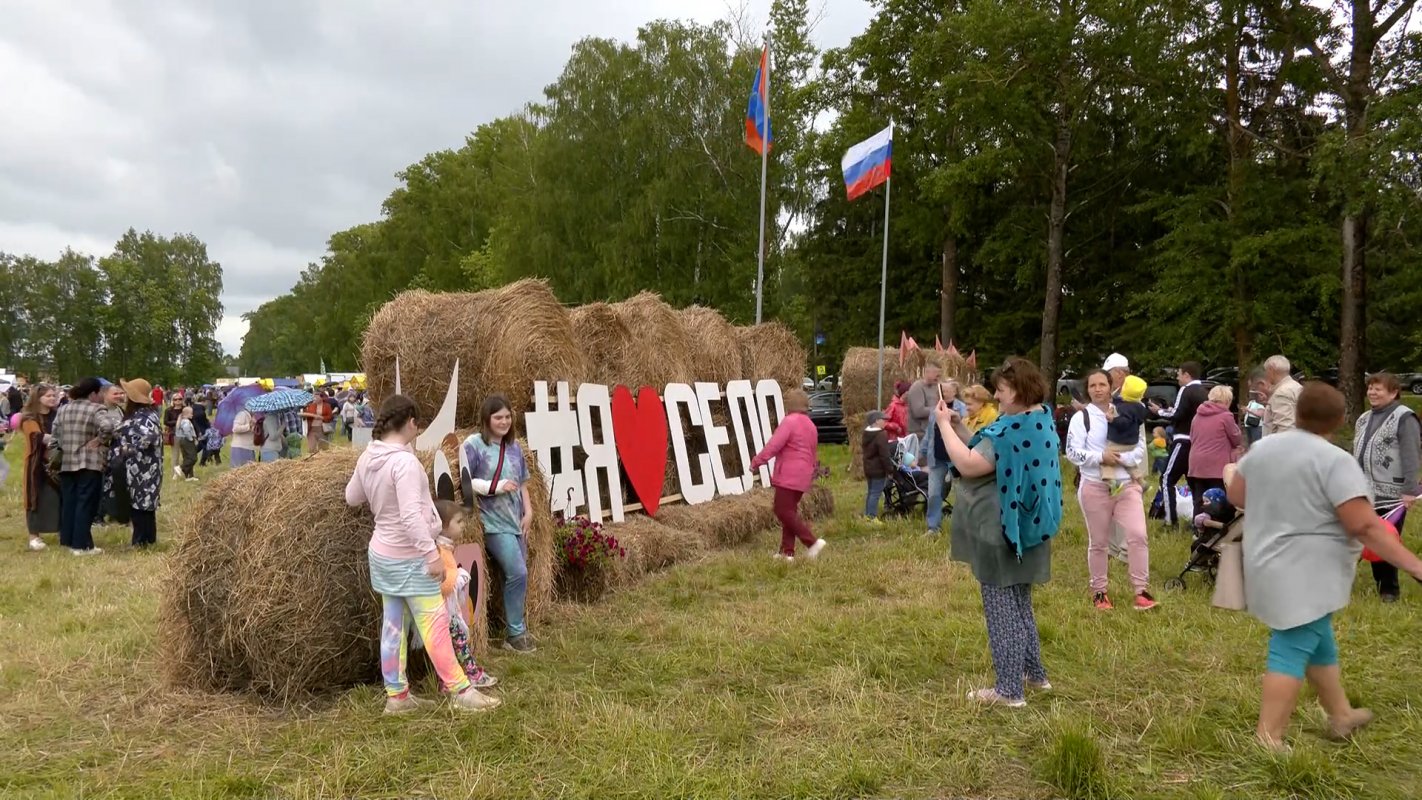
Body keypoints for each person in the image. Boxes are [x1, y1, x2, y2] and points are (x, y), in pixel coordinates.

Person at [1229, 382, 1422, 750]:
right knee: (1291, 644)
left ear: (1298, 412)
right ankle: (1267, 738)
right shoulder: (1335, 461)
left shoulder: (1264, 447)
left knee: (1317, 638)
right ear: (1339, 419)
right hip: (1309, 571)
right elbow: (1364, 525)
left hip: (1266, 561)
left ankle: (1341, 714)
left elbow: (1238, 495)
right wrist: (1415, 566)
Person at [345, 394, 499, 714]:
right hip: (410, 557)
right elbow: (411, 517)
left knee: (393, 626)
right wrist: (431, 555)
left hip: (383, 555)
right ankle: (461, 691)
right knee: (435, 625)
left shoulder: (369, 457)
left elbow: (352, 497)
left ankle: (397, 696)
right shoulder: (404, 462)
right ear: (411, 423)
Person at [936, 357, 1062, 706]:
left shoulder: (1009, 430)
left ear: (1019, 391)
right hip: (1030, 526)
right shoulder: (1039, 419)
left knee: (1001, 608)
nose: (997, 396)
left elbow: (969, 463)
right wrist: (961, 427)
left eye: (1002, 391)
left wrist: (943, 426)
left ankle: (1008, 690)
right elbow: (983, 447)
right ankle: (1034, 674)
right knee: (1020, 603)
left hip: (1002, 532)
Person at [1065, 369, 1155, 611]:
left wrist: (1120, 458)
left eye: (1102, 384)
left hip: (1126, 485)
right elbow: (1073, 453)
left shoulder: (1128, 411)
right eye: (1092, 385)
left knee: (1138, 535)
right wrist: (1100, 456)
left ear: (1111, 385)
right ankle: (1100, 592)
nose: (1097, 389)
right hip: (1095, 485)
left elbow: (1140, 449)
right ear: (1088, 390)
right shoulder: (1082, 418)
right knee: (1099, 542)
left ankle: (1141, 590)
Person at [461, 394, 537, 653]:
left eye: (507, 417)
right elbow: (465, 480)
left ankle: (512, 626)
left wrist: (529, 512)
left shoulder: (515, 447)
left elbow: (524, 482)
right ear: (487, 419)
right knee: (519, 572)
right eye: (498, 417)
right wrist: (495, 487)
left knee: (514, 575)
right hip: (491, 522)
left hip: (516, 521)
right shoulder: (474, 445)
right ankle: (516, 634)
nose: (504, 422)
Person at [1351, 372, 1420, 603]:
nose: (1372, 392)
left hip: (1390, 494)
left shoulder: (1404, 418)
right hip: (1363, 491)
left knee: (1385, 541)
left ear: (1393, 392)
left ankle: (1388, 590)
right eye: (1370, 388)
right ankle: (1339, 583)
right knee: (1357, 538)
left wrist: (1410, 489)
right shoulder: (1363, 418)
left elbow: (1411, 454)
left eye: (1378, 388)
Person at [750, 389, 827, 563]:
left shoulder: (789, 422)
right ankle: (787, 553)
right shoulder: (810, 425)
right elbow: (812, 451)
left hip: (788, 475)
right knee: (789, 512)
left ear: (790, 406)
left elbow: (773, 445)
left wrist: (756, 461)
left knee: (782, 510)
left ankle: (812, 542)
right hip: (803, 475)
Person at [432, 500, 500, 690]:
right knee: (459, 641)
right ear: (443, 526)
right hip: (444, 612)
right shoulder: (440, 551)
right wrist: (459, 578)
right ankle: (471, 674)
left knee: (452, 644)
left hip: (446, 610)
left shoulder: (445, 548)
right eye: (459, 522)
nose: (464, 526)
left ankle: (448, 680)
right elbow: (443, 584)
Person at [51, 377, 117, 555]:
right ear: (93, 393)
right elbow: (108, 426)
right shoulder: (96, 409)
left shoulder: (63, 409)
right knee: (86, 503)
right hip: (89, 463)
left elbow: (55, 434)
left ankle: (69, 540)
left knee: (69, 502)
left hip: (66, 462)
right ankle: (81, 546)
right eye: (99, 393)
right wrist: (98, 440)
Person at [1149, 361, 1210, 528]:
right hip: (1198, 443)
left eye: (1178, 374)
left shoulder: (1187, 389)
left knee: (1167, 479)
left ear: (1187, 375)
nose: (1177, 378)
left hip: (1183, 440)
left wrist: (1159, 411)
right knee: (1194, 483)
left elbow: (1177, 413)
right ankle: (1198, 521)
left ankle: (1170, 521)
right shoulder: (1204, 392)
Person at [115, 379, 163, 547]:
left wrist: (126, 448)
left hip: (144, 467)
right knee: (144, 504)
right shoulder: (146, 414)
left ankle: (141, 540)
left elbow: (148, 439)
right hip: (144, 467)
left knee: (141, 505)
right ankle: (148, 539)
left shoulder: (144, 416)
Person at [918, 383, 968, 537]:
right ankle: (933, 528)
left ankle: (965, 527)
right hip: (937, 458)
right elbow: (929, 432)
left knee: (962, 493)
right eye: (943, 390)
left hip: (957, 458)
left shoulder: (963, 408)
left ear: (954, 390)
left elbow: (966, 430)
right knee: (933, 493)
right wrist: (921, 452)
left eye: (948, 390)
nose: (945, 392)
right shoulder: (936, 409)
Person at [20, 384, 61, 551]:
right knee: (34, 498)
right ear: (38, 398)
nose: (52, 398)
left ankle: (60, 529)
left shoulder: (57, 415)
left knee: (57, 497)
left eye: (53, 395)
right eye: (48, 396)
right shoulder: (29, 418)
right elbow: (36, 437)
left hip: (56, 463)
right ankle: (34, 536)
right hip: (36, 464)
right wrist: (61, 438)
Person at [1188, 385, 1241, 504]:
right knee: (1219, 500)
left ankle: (1198, 521)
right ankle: (1217, 521)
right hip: (1216, 466)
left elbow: (1192, 437)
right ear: (1227, 401)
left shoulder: (1197, 415)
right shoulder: (1226, 416)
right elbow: (1236, 439)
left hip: (1196, 464)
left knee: (1200, 500)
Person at [1105, 375, 1150, 483]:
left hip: (1120, 441)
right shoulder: (1139, 407)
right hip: (1133, 441)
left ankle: (1111, 482)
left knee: (1106, 460)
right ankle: (1141, 481)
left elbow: (1124, 422)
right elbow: (1120, 401)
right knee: (1129, 464)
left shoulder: (1125, 408)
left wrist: (1112, 420)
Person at [861, 411, 894, 522]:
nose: (885, 422)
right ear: (876, 421)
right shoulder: (881, 434)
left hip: (868, 467)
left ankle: (867, 515)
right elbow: (884, 455)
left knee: (871, 492)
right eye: (883, 420)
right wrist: (889, 469)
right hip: (878, 469)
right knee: (875, 493)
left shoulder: (866, 433)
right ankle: (871, 517)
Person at [1263, 355, 1302, 436]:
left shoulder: (1282, 393)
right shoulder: (1297, 387)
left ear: (1271, 369)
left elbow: (1285, 429)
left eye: (1266, 371)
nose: (1265, 375)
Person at [905, 362, 943, 438]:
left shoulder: (937, 387)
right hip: (919, 433)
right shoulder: (917, 387)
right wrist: (938, 409)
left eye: (939, 374)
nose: (938, 377)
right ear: (927, 372)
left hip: (932, 432)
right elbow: (918, 412)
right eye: (936, 374)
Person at [1242, 370, 1269, 447]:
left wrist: (1248, 410)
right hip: (1249, 425)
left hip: (1256, 426)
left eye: (1253, 389)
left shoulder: (1260, 401)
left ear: (1261, 384)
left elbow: (1261, 414)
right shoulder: (1253, 402)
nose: (1252, 392)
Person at [174, 407, 199, 482]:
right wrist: (191, 439)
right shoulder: (186, 422)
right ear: (187, 414)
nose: (192, 415)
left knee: (186, 457)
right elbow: (186, 430)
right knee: (193, 457)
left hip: (182, 440)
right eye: (191, 413)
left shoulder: (182, 421)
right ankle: (181, 468)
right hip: (187, 440)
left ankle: (189, 476)